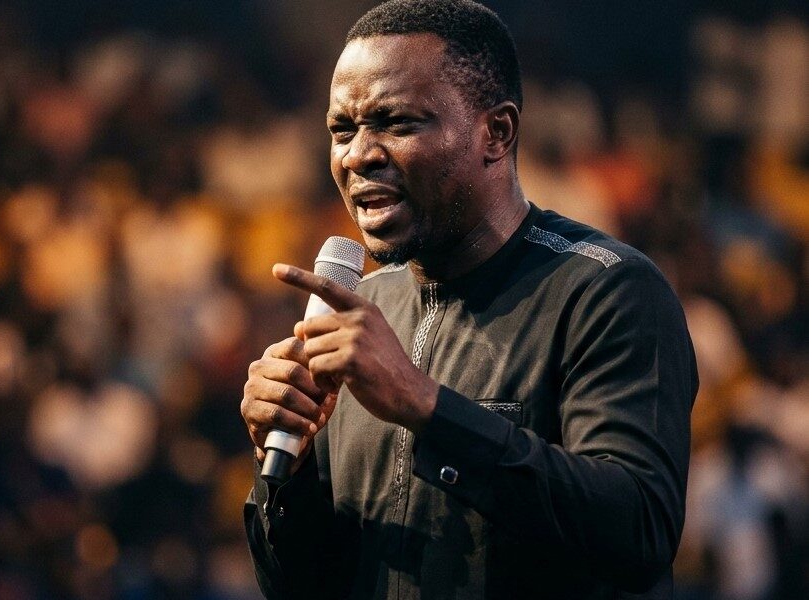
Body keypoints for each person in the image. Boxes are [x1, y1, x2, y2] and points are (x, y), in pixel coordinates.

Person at [240, 1, 698, 598]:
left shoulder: (607, 292)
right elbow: (304, 585)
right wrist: (288, 475)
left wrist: (426, 406)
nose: (357, 155)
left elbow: (638, 530)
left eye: (397, 123)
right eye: (342, 129)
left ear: (496, 132)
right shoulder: (359, 315)